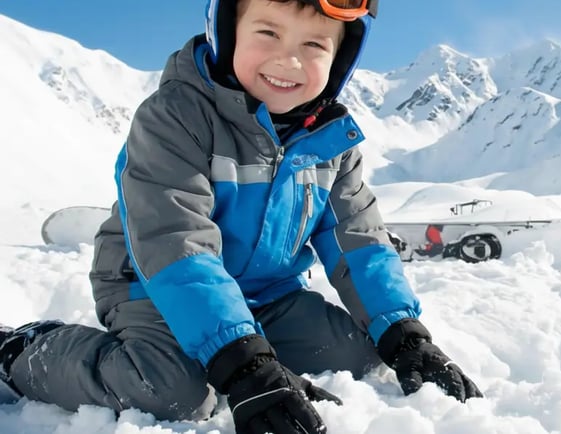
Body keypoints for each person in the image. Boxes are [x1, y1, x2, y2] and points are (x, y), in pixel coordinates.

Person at [0, 1, 480, 433]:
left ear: (340, 60)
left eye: (313, 44)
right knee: (175, 392)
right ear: (226, 30)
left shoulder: (332, 142)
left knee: (355, 354)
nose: (288, 60)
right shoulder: (177, 116)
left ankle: (243, 336)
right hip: (152, 284)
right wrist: (242, 363)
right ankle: (22, 351)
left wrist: (404, 335)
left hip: (267, 294)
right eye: (267, 33)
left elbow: (360, 241)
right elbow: (175, 240)